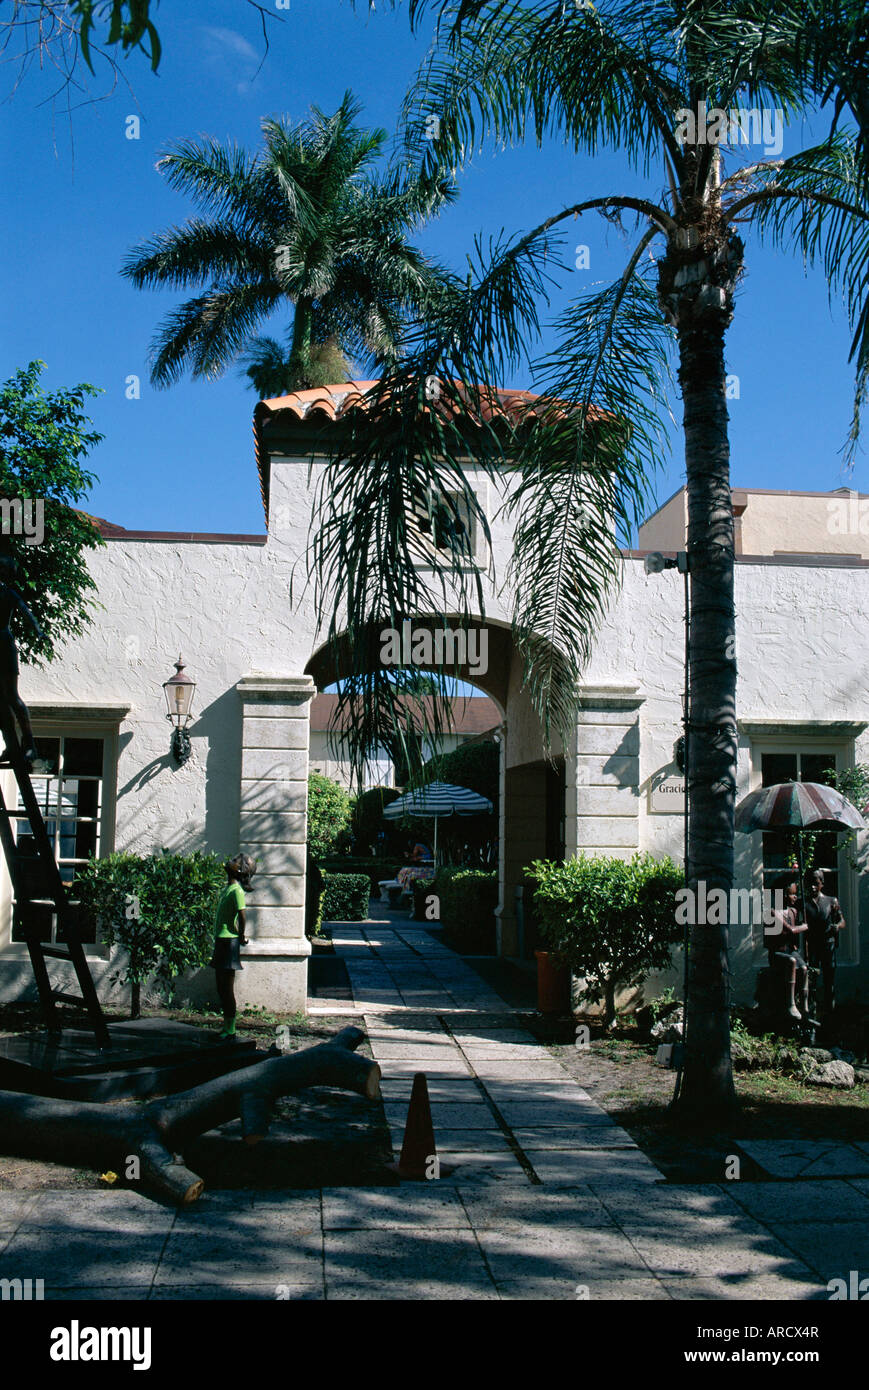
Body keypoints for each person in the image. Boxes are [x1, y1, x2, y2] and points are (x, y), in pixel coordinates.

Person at [0, 552, 43, 763]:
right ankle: (11, 744)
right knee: (4, 699)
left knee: (12, 697)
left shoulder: (9, 593)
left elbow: (27, 614)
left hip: (4, 645)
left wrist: (38, 631)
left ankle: (29, 745)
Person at [209, 853, 256, 1040]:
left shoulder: (236, 891)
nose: (231, 860)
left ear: (240, 870)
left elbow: (242, 915)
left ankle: (230, 1029)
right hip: (222, 941)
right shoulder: (228, 888)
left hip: (229, 943)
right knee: (221, 987)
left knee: (226, 988)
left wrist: (241, 935)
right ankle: (226, 1026)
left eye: (236, 860)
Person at [767, 880, 810, 1021]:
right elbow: (791, 930)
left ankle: (805, 1004)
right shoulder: (773, 912)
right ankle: (790, 1003)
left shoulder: (793, 911)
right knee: (791, 962)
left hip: (790, 950)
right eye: (792, 894)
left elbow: (794, 938)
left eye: (796, 894)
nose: (795, 897)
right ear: (784, 895)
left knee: (803, 968)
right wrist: (804, 927)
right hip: (777, 953)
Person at [804, 868, 844, 1015]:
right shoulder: (805, 903)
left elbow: (842, 921)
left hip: (828, 945)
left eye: (815, 882)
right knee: (812, 981)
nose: (812, 886)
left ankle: (830, 1015)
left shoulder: (831, 901)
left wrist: (837, 926)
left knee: (829, 982)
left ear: (822, 883)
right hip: (813, 946)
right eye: (810, 883)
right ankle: (813, 1013)